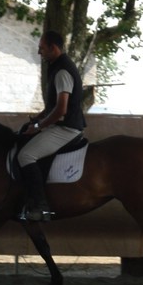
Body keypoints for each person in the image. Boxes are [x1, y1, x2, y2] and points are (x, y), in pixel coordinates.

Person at [17, 30, 86, 222]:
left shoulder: (62, 71)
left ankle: (41, 207)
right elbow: (52, 107)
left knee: (25, 155)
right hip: (61, 125)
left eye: (41, 48)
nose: (39, 52)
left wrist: (38, 126)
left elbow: (61, 109)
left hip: (66, 128)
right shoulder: (57, 67)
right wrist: (37, 118)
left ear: (53, 48)